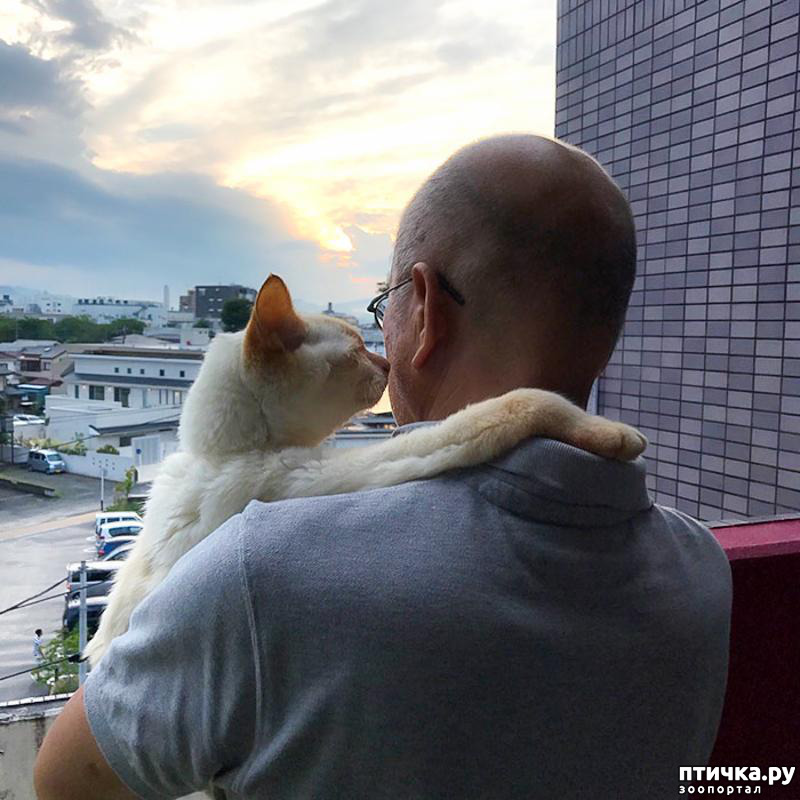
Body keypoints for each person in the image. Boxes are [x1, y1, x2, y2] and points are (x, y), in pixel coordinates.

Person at [34, 135, 732, 800]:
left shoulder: (265, 573)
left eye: (383, 305)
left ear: (425, 310)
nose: (380, 345)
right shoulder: (701, 572)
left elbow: (65, 781)